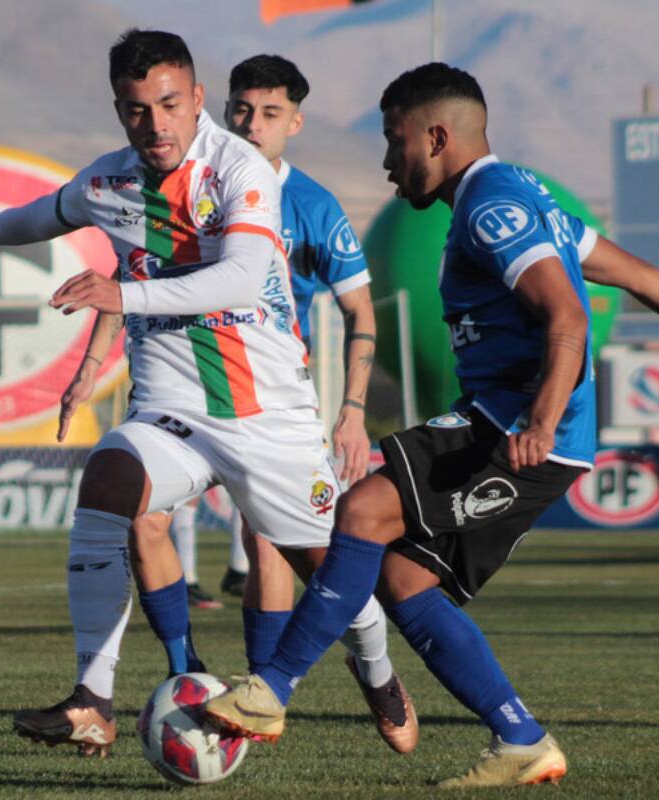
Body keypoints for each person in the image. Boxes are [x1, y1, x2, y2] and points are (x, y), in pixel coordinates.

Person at [205, 62, 659, 788]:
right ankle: (522, 739)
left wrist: (538, 418)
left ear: (437, 136)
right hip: (530, 428)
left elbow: (566, 313)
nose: (385, 161)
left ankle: (271, 690)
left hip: (518, 425)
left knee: (364, 507)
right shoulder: (523, 192)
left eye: (392, 139)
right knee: (405, 578)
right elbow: (630, 273)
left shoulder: (489, 205)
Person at [0, 30, 412, 758]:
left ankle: (375, 667)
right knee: (109, 479)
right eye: (135, 109)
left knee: (321, 561)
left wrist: (124, 293)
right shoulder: (110, 182)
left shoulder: (240, 168)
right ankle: (93, 697)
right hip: (171, 410)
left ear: (197, 100)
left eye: (169, 104)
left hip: (265, 413)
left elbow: (243, 276)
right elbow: (36, 215)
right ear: (119, 110)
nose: (154, 124)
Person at [129, 51, 404, 747]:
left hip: (270, 399)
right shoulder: (179, 179)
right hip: (178, 391)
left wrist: (351, 410)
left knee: (278, 544)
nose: (252, 125)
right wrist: (94, 361)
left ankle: (299, 681)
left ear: (296, 122)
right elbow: (128, 271)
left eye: (271, 113)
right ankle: (184, 672)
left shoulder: (310, 205)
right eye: (242, 110)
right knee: (141, 516)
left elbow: (361, 311)